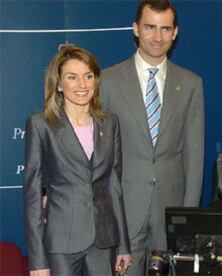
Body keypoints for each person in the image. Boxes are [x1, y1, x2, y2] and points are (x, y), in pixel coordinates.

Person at [100, 0, 205, 274]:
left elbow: (194, 155)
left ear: (175, 32)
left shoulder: (192, 84)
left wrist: (187, 217)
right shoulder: (107, 81)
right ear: (135, 29)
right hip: (123, 214)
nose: (157, 37)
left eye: (165, 29)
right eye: (150, 27)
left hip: (170, 214)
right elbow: (100, 155)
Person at [24, 45, 132, 276]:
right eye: (72, 77)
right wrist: (37, 261)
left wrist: (123, 244)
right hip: (61, 243)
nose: (82, 85)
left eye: (88, 76)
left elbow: (114, 187)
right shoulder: (41, 125)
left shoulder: (110, 123)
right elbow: (33, 195)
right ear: (59, 84)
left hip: (103, 242)